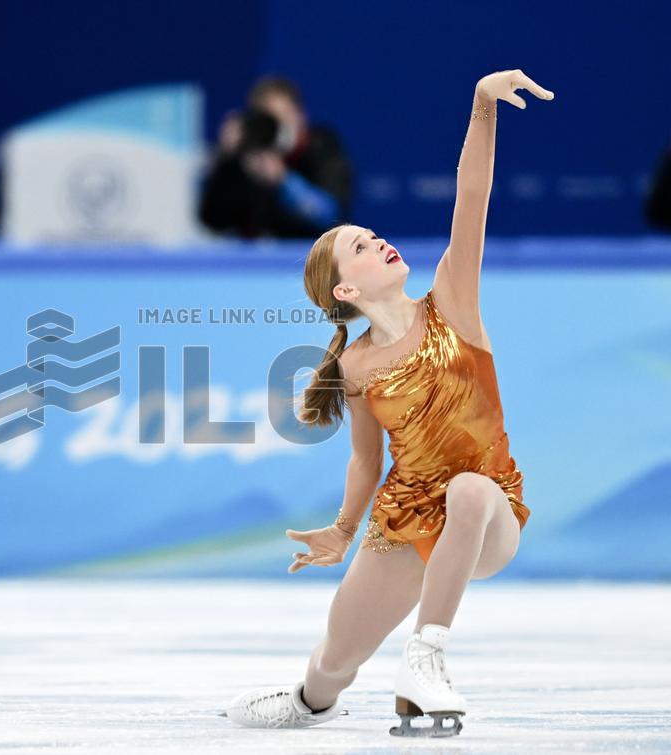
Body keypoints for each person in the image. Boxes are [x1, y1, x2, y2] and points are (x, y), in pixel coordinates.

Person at [222, 70, 555, 738]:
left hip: (487, 510)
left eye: (374, 235)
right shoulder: (354, 366)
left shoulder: (452, 301)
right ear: (345, 290)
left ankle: (426, 657)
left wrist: (481, 108)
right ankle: (308, 700)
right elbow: (364, 462)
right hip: (403, 516)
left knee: (465, 490)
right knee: (333, 662)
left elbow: (472, 194)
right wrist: (344, 530)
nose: (379, 242)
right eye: (361, 246)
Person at [198, 76, 354, 239]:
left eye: (283, 116)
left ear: (301, 115)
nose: (278, 126)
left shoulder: (322, 149)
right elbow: (211, 220)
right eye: (269, 120)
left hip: (311, 258)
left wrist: (283, 180)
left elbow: (331, 218)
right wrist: (227, 159)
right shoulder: (247, 157)